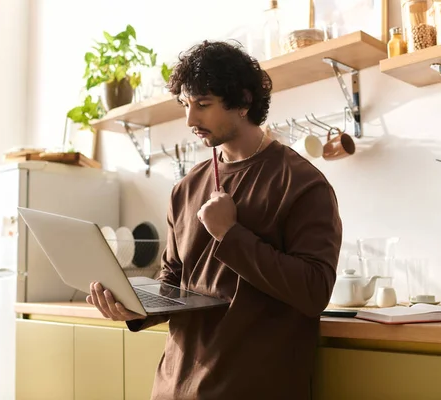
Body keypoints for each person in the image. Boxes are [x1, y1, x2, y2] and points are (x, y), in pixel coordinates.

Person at [87, 40, 342, 400]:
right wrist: (133, 307)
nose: (190, 120)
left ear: (242, 101)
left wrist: (230, 233)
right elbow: (174, 281)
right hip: (172, 387)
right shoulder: (185, 188)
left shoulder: (302, 183)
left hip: (250, 388)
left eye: (203, 105)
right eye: (186, 105)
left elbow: (314, 291)